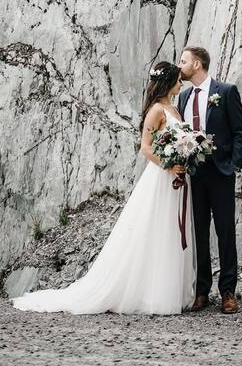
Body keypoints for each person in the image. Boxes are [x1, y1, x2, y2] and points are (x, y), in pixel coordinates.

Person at [11, 62, 196, 315]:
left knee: (170, 232)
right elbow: (145, 147)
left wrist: (185, 156)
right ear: (167, 83)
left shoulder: (173, 108)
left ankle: (166, 288)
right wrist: (169, 164)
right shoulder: (156, 110)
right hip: (161, 179)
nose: (181, 83)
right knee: (156, 229)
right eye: (178, 80)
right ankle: (151, 294)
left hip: (176, 179)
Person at [178, 46, 242, 314]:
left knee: (225, 232)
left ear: (197, 64)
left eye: (183, 61)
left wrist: (234, 165)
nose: (180, 66)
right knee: (198, 234)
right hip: (194, 175)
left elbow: (240, 131)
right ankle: (202, 291)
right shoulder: (183, 97)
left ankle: (228, 291)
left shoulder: (226, 91)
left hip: (221, 172)